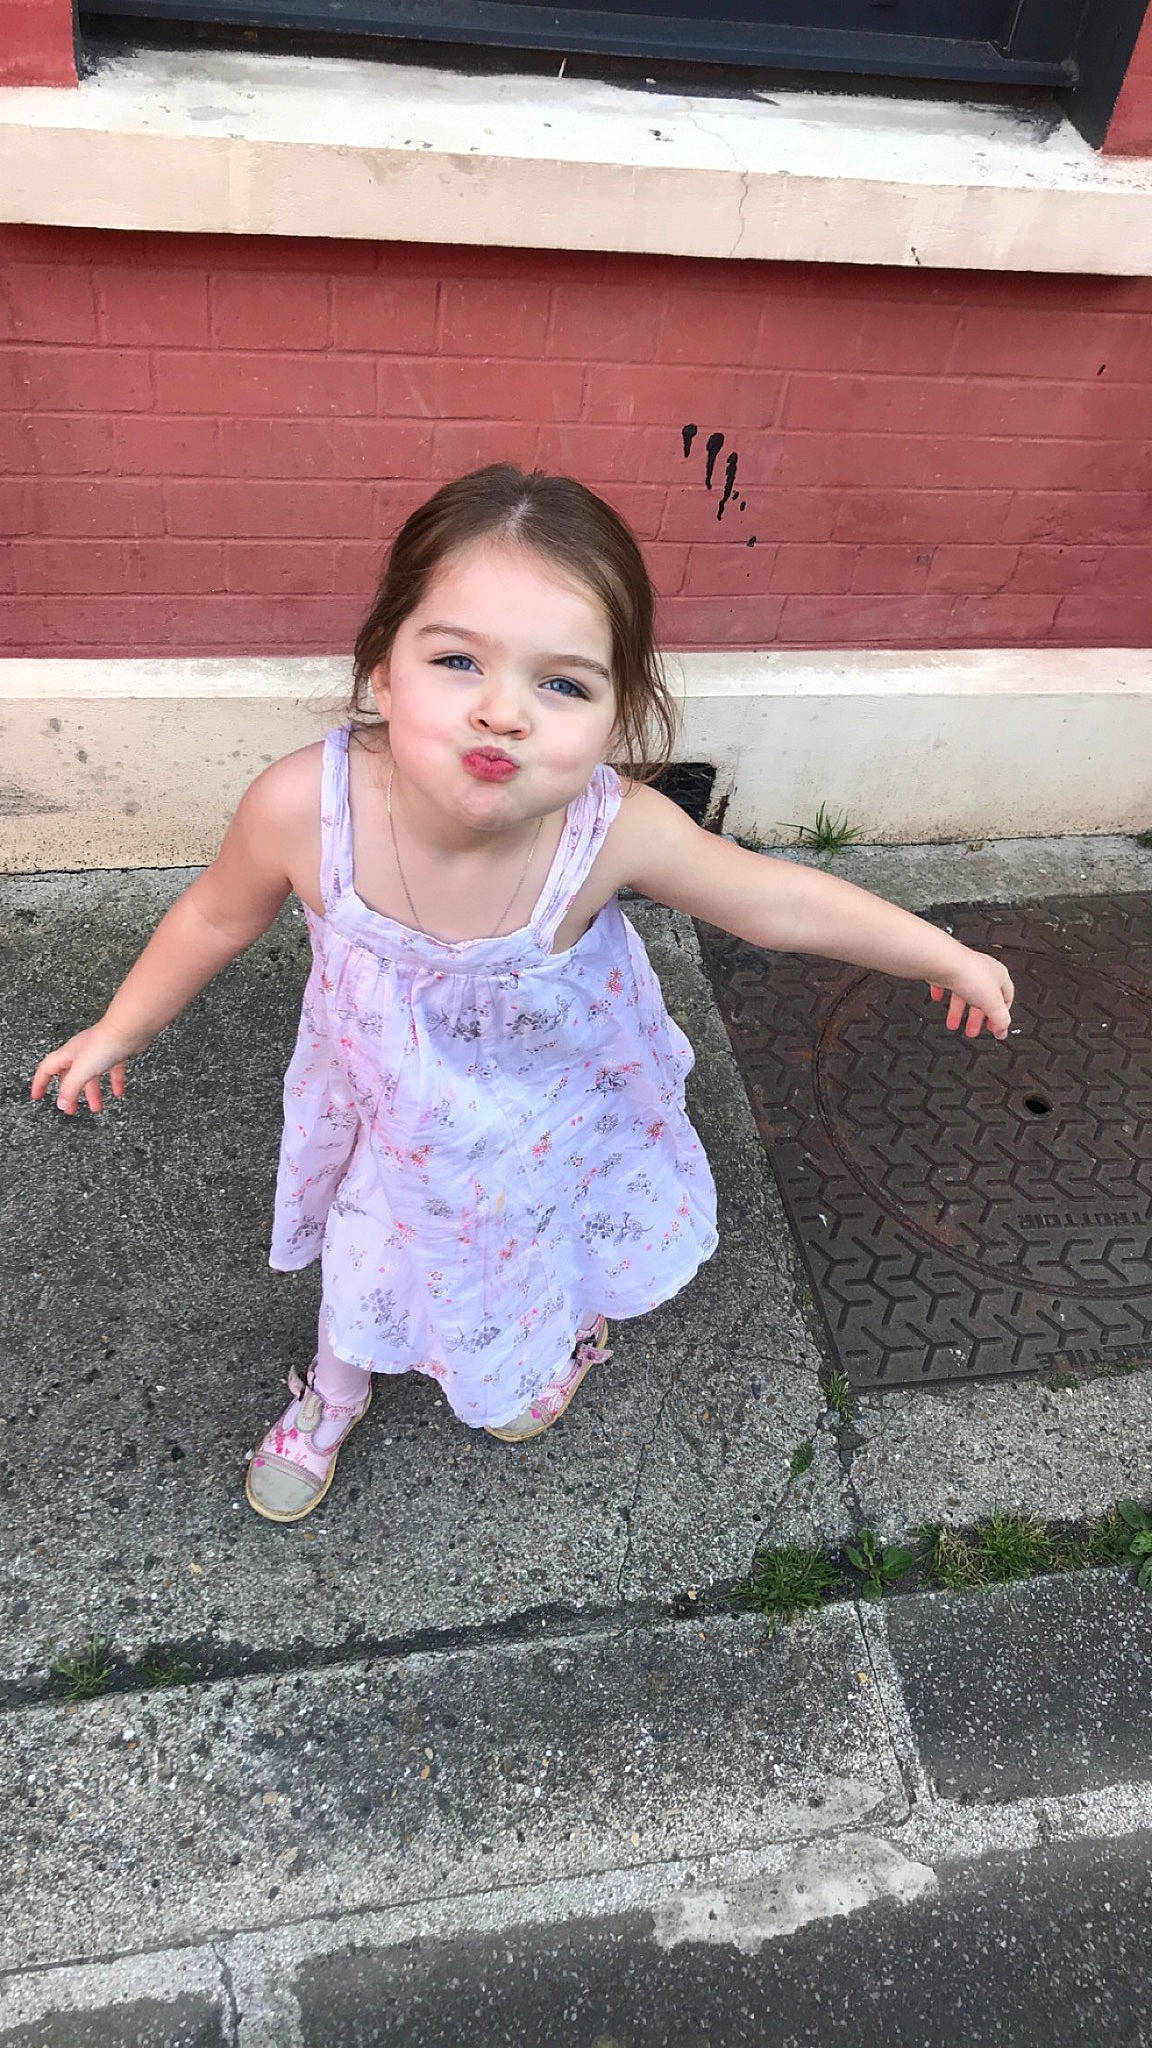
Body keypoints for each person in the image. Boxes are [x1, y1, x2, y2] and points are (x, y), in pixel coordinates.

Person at [30, 465, 1014, 1525]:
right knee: (376, 1240)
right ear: (381, 672)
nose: (503, 711)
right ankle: (338, 1385)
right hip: (389, 1113)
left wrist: (940, 950)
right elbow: (216, 915)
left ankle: (563, 1334)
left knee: (539, 1238)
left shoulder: (609, 830)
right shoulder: (302, 809)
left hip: (546, 1118)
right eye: (457, 659)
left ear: (615, 717)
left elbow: (777, 902)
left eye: (565, 684)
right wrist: (118, 1025)